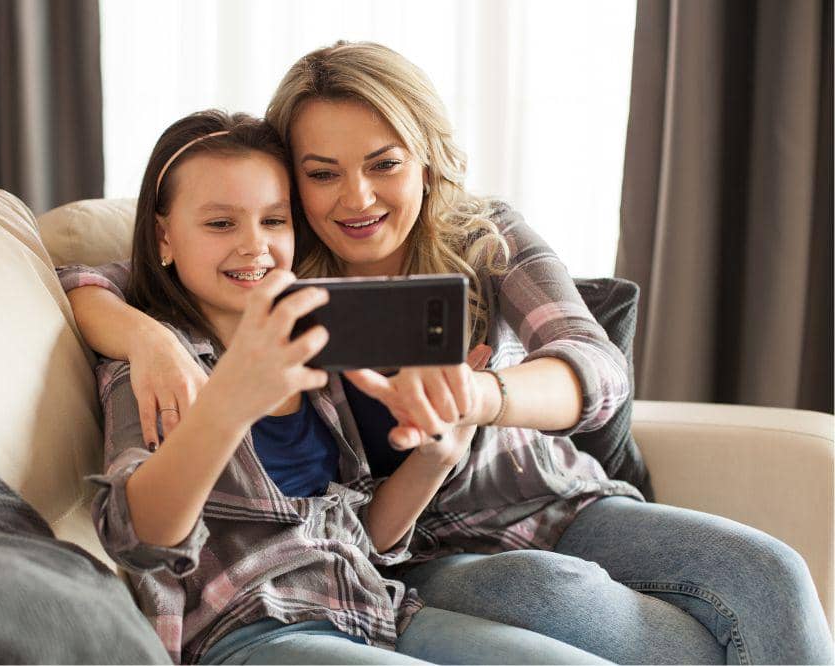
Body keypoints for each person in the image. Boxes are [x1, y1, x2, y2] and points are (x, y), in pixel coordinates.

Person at [61, 43, 833, 665]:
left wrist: (480, 398)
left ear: (424, 157)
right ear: (294, 181)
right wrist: (146, 336)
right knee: (555, 601)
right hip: (409, 554)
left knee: (769, 577)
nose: (356, 199)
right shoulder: (281, 289)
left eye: (384, 163)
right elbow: (92, 275)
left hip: (545, 502)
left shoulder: (480, 239)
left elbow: (592, 367)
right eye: (322, 174)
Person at [72, 109, 608, 665]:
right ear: (165, 236)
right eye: (220, 224)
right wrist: (223, 398)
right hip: (252, 631)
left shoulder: (316, 351)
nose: (254, 246)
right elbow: (142, 537)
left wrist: (437, 455)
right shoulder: (153, 369)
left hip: (375, 610)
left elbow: (366, 539)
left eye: (274, 221)